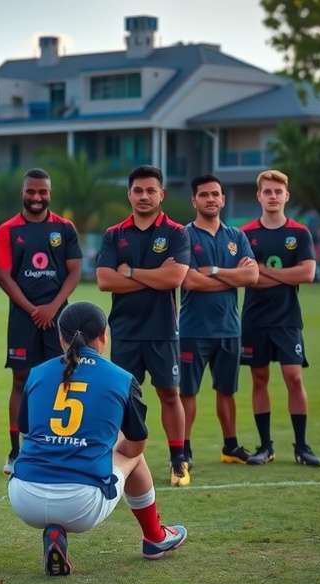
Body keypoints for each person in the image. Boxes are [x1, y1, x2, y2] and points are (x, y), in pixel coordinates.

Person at [8, 302, 187, 576]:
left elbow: (27, 430)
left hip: (24, 496)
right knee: (132, 455)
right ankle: (155, 537)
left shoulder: (37, 373)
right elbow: (135, 445)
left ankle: (55, 531)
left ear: (60, 337)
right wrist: (110, 447)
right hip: (80, 504)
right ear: (104, 335)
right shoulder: (121, 378)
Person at [96, 165, 190, 486]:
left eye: (151, 190)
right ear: (129, 194)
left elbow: (175, 277)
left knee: (169, 394)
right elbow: (104, 280)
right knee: (122, 397)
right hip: (125, 330)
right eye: (138, 190)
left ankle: (179, 460)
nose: (145, 196)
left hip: (163, 329)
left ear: (161, 194)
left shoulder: (177, 232)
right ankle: (122, 461)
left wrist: (131, 273)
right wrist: (154, 277)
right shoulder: (114, 234)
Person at [0, 168, 82, 475]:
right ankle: (17, 451)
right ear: (23, 193)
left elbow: (74, 272)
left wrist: (52, 308)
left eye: (42, 192)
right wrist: (34, 309)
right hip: (22, 317)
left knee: (60, 379)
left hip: (59, 319)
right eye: (31, 191)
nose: (36, 197)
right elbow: (4, 275)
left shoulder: (65, 228)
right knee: (21, 380)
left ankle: (56, 444)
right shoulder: (8, 229)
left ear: (50, 193)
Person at [240, 170, 320, 467]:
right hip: (255, 320)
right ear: (258, 196)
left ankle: (302, 446)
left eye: (278, 191)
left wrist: (267, 272)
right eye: (267, 191)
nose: (273, 196)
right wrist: (282, 276)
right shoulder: (246, 234)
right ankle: (265, 447)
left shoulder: (300, 233)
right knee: (259, 379)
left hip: (287, 319)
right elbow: (249, 279)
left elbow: (308, 273)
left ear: (287, 196)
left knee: (293, 377)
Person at [179, 175, 259, 467]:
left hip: (228, 328)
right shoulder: (184, 236)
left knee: (227, 391)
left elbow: (252, 276)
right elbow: (189, 281)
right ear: (194, 200)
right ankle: (183, 450)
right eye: (204, 195)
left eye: (215, 194)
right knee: (188, 392)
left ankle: (231, 446)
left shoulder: (236, 236)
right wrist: (231, 277)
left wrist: (212, 270)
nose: (211, 199)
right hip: (192, 330)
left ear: (223, 199)